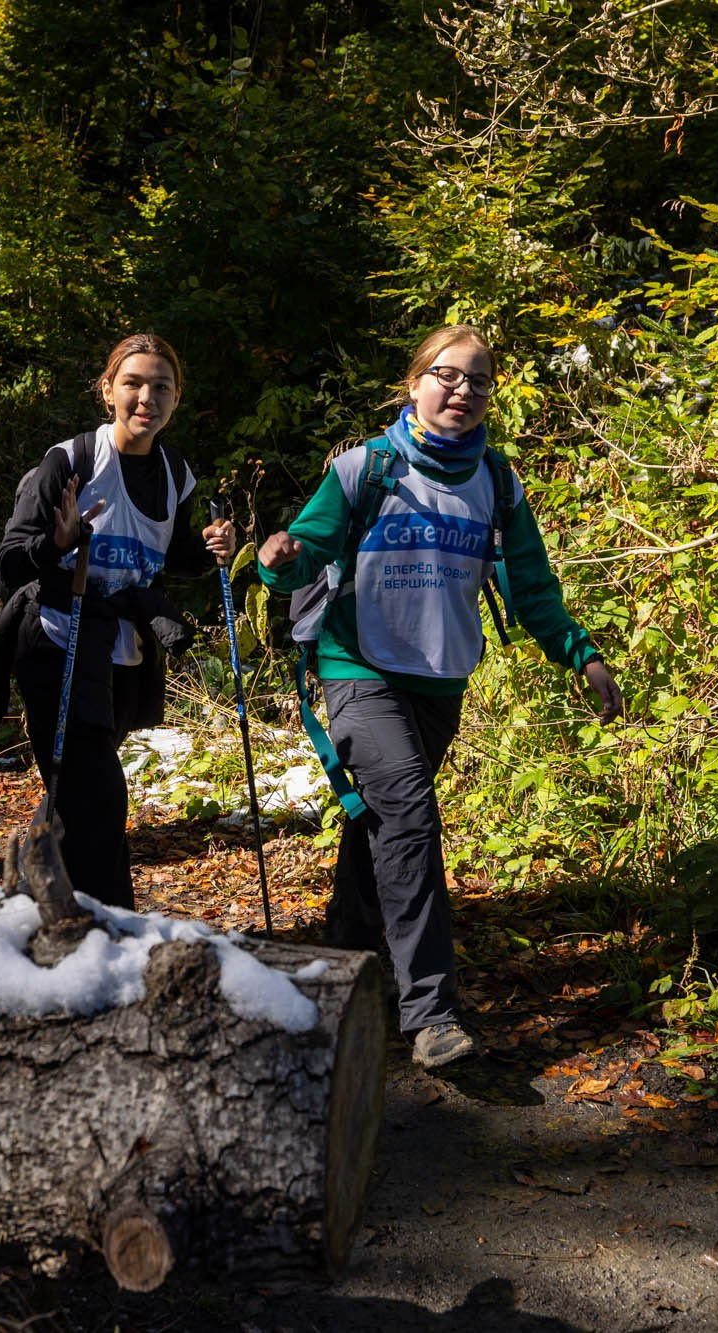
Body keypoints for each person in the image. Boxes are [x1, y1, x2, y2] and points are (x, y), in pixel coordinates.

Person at [257, 325, 623, 1069]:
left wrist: (581, 655)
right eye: (447, 376)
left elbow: (533, 588)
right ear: (414, 383)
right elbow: (304, 556)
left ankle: (341, 968)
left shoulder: (497, 482)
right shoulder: (367, 468)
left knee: (385, 829)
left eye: (478, 382)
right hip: (357, 668)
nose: (462, 391)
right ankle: (430, 1013)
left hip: (440, 684)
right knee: (413, 818)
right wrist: (278, 560)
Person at [0, 334, 234, 910]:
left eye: (162, 387)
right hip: (59, 645)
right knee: (99, 798)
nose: (147, 397)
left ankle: (29, 900)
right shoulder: (71, 461)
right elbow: (10, 560)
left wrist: (212, 547)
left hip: (126, 653)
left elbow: (173, 558)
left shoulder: (176, 473)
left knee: (75, 795)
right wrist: (59, 541)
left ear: (177, 400)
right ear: (107, 390)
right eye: (133, 383)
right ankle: (112, 934)